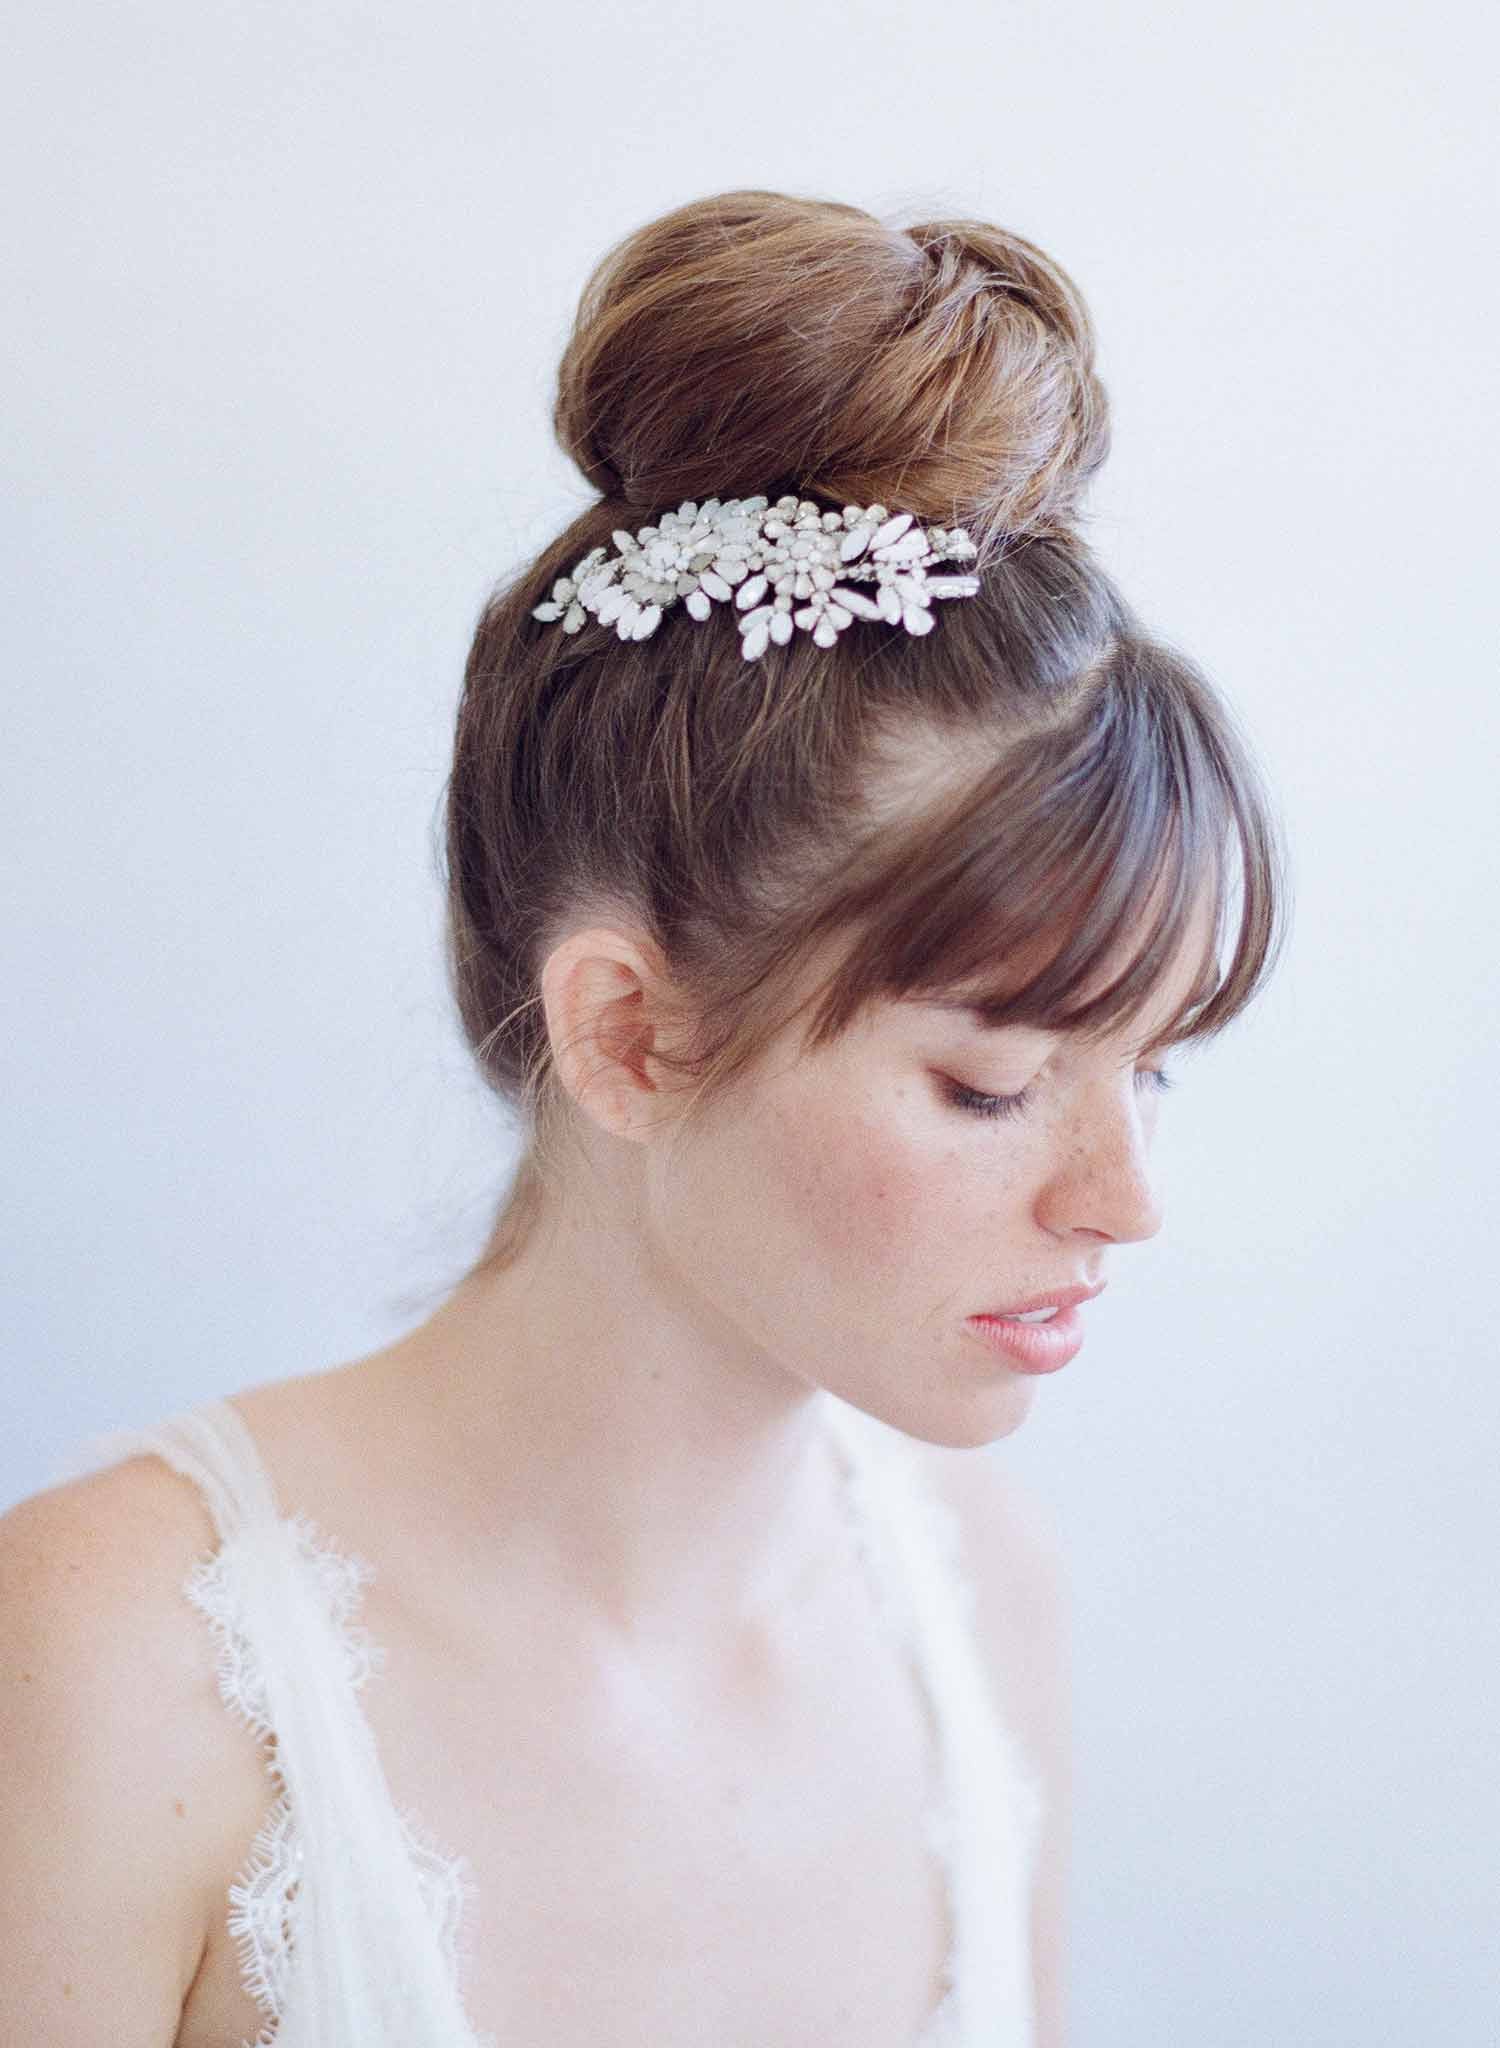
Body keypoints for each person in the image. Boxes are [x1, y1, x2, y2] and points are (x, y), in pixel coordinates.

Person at [0, 188, 1285, 2048]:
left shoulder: (978, 1602)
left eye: (1152, 1066)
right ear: (631, 1036)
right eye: (993, 1084)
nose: (1124, 1200)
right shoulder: (112, 1665)